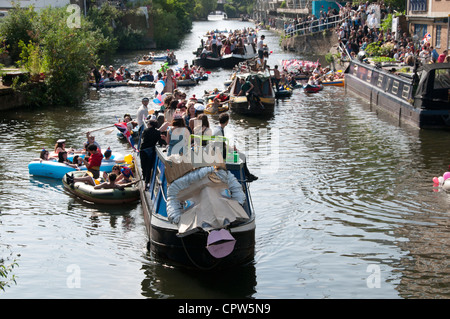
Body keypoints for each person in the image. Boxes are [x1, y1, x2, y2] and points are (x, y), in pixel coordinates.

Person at [211, 113, 258, 182]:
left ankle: (247, 175)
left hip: (218, 152)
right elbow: (222, 146)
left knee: (239, 154)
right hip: (221, 155)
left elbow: (222, 144)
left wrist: (231, 148)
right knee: (242, 156)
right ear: (227, 122)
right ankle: (247, 175)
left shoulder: (217, 129)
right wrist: (232, 149)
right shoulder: (220, 131)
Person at [140, 119, 163, 188]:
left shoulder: (146, 131)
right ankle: (147, 181)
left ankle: (144, 179)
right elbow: (160, 142)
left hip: (143, 150)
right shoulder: (158, 132)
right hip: (151, 150)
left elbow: (143, 138)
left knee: (143, 166)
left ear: (150, 125)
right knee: (149, 167)